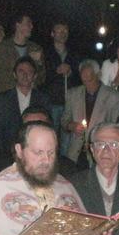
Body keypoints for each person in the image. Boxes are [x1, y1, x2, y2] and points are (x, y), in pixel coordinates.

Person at [0, 56, 51, 178]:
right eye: (21, 71)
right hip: (7, 157)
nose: (25, 75)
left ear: (35, 76)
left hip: (35, 156)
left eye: (29, 72)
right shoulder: (1, 100)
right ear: (14, 74)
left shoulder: (43, 99)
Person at [62, 59, 119, 168]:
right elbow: (64, 120)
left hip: (100, 153)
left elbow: (117, 128)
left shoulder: (113, 97)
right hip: (75, 153)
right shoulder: (73, 94)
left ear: (98, 75)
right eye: (83, 81)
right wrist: (71, 126)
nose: (87, 84)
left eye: (90, 80)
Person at [44, 20, 80, 148]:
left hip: (69, 102)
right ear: (52, 34)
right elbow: (41, 77)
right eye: (59, 31)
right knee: (51, 135)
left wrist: (70, 73)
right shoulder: (45, 53)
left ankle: (66, 160)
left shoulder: (74, 53)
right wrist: (56, 71)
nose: (62, 33)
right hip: (52, 101)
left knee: (67, 138)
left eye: (65, 31)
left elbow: (79, 76)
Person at [0, 14, 45, 93]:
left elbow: (42, 78)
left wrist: (39, 63)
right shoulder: (2, 48)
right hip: (8, 95)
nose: (31, 26)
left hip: (29, 96)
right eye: (28, 23)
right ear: (18, 25)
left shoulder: (36, 48)